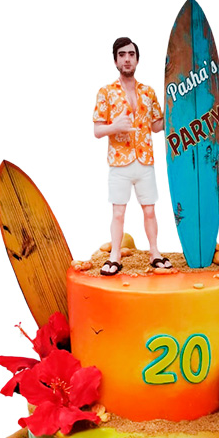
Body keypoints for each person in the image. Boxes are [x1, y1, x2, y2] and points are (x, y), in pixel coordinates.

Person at [93, 37, 172, 276]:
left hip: (145, 161)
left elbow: (156, 126)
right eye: (122, 55)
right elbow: (97, 130)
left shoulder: (148, 92)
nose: (127, 59)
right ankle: (115, 255)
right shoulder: (106, 92)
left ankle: (154, 252)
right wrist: (115, 126)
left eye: (131, 54)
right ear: (115, 60)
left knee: (150, 210)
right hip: (120, 163)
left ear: (137, 59)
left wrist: (175, 112)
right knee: (118, 213)